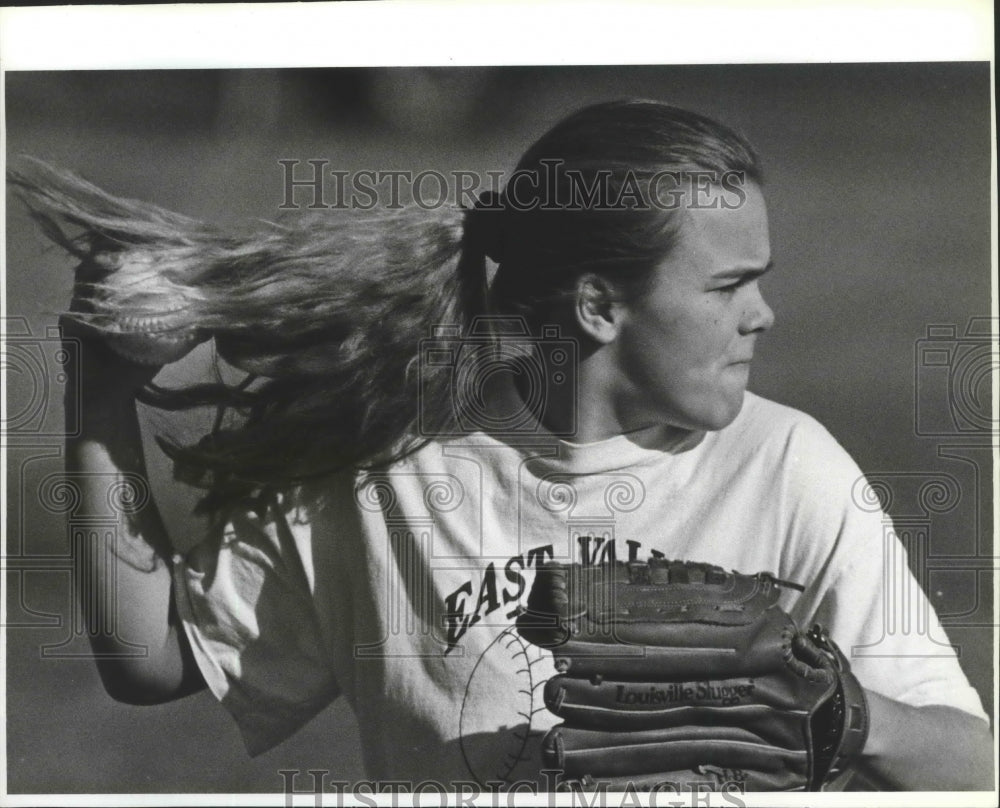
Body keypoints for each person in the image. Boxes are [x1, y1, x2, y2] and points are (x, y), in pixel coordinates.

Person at [17, 99, 992, 792]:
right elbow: (145, 660)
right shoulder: (390, 472)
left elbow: (971, 769)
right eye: (726, 285)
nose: (763, 314)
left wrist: (849, 713)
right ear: (600, 305)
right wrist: (100, 384)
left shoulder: (788, 466)